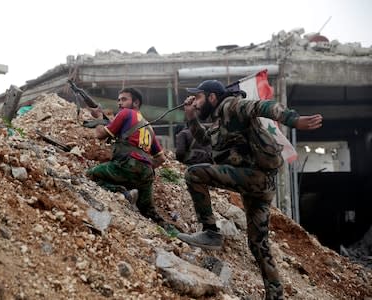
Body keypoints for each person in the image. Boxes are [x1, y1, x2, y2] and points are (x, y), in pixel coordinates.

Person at [178, 79, 323, 300]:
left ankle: (210, 232)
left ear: (212, 97)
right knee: (258, 244)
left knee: (193, 173)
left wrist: (294, 120)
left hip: (253, 177)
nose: (195, 102)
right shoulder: (219, 121)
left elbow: (262, 106)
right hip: (258, 183)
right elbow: (206, 140)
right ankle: (275, 295)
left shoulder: (231, 106)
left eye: (198, 98)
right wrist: (191, 117)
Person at [86, 87, 167, 226]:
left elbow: (100, 135)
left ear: (135, 103)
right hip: (146, 173)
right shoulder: (148, 126)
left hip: (126, 165)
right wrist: (143, 166)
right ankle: (172, 233)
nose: (119, 103)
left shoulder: (126, 113)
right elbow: (161, 158)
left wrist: (99, 117)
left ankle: (123, 193)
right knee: (148, 210)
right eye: (118, 100)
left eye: (124, 99)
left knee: (92, 174)